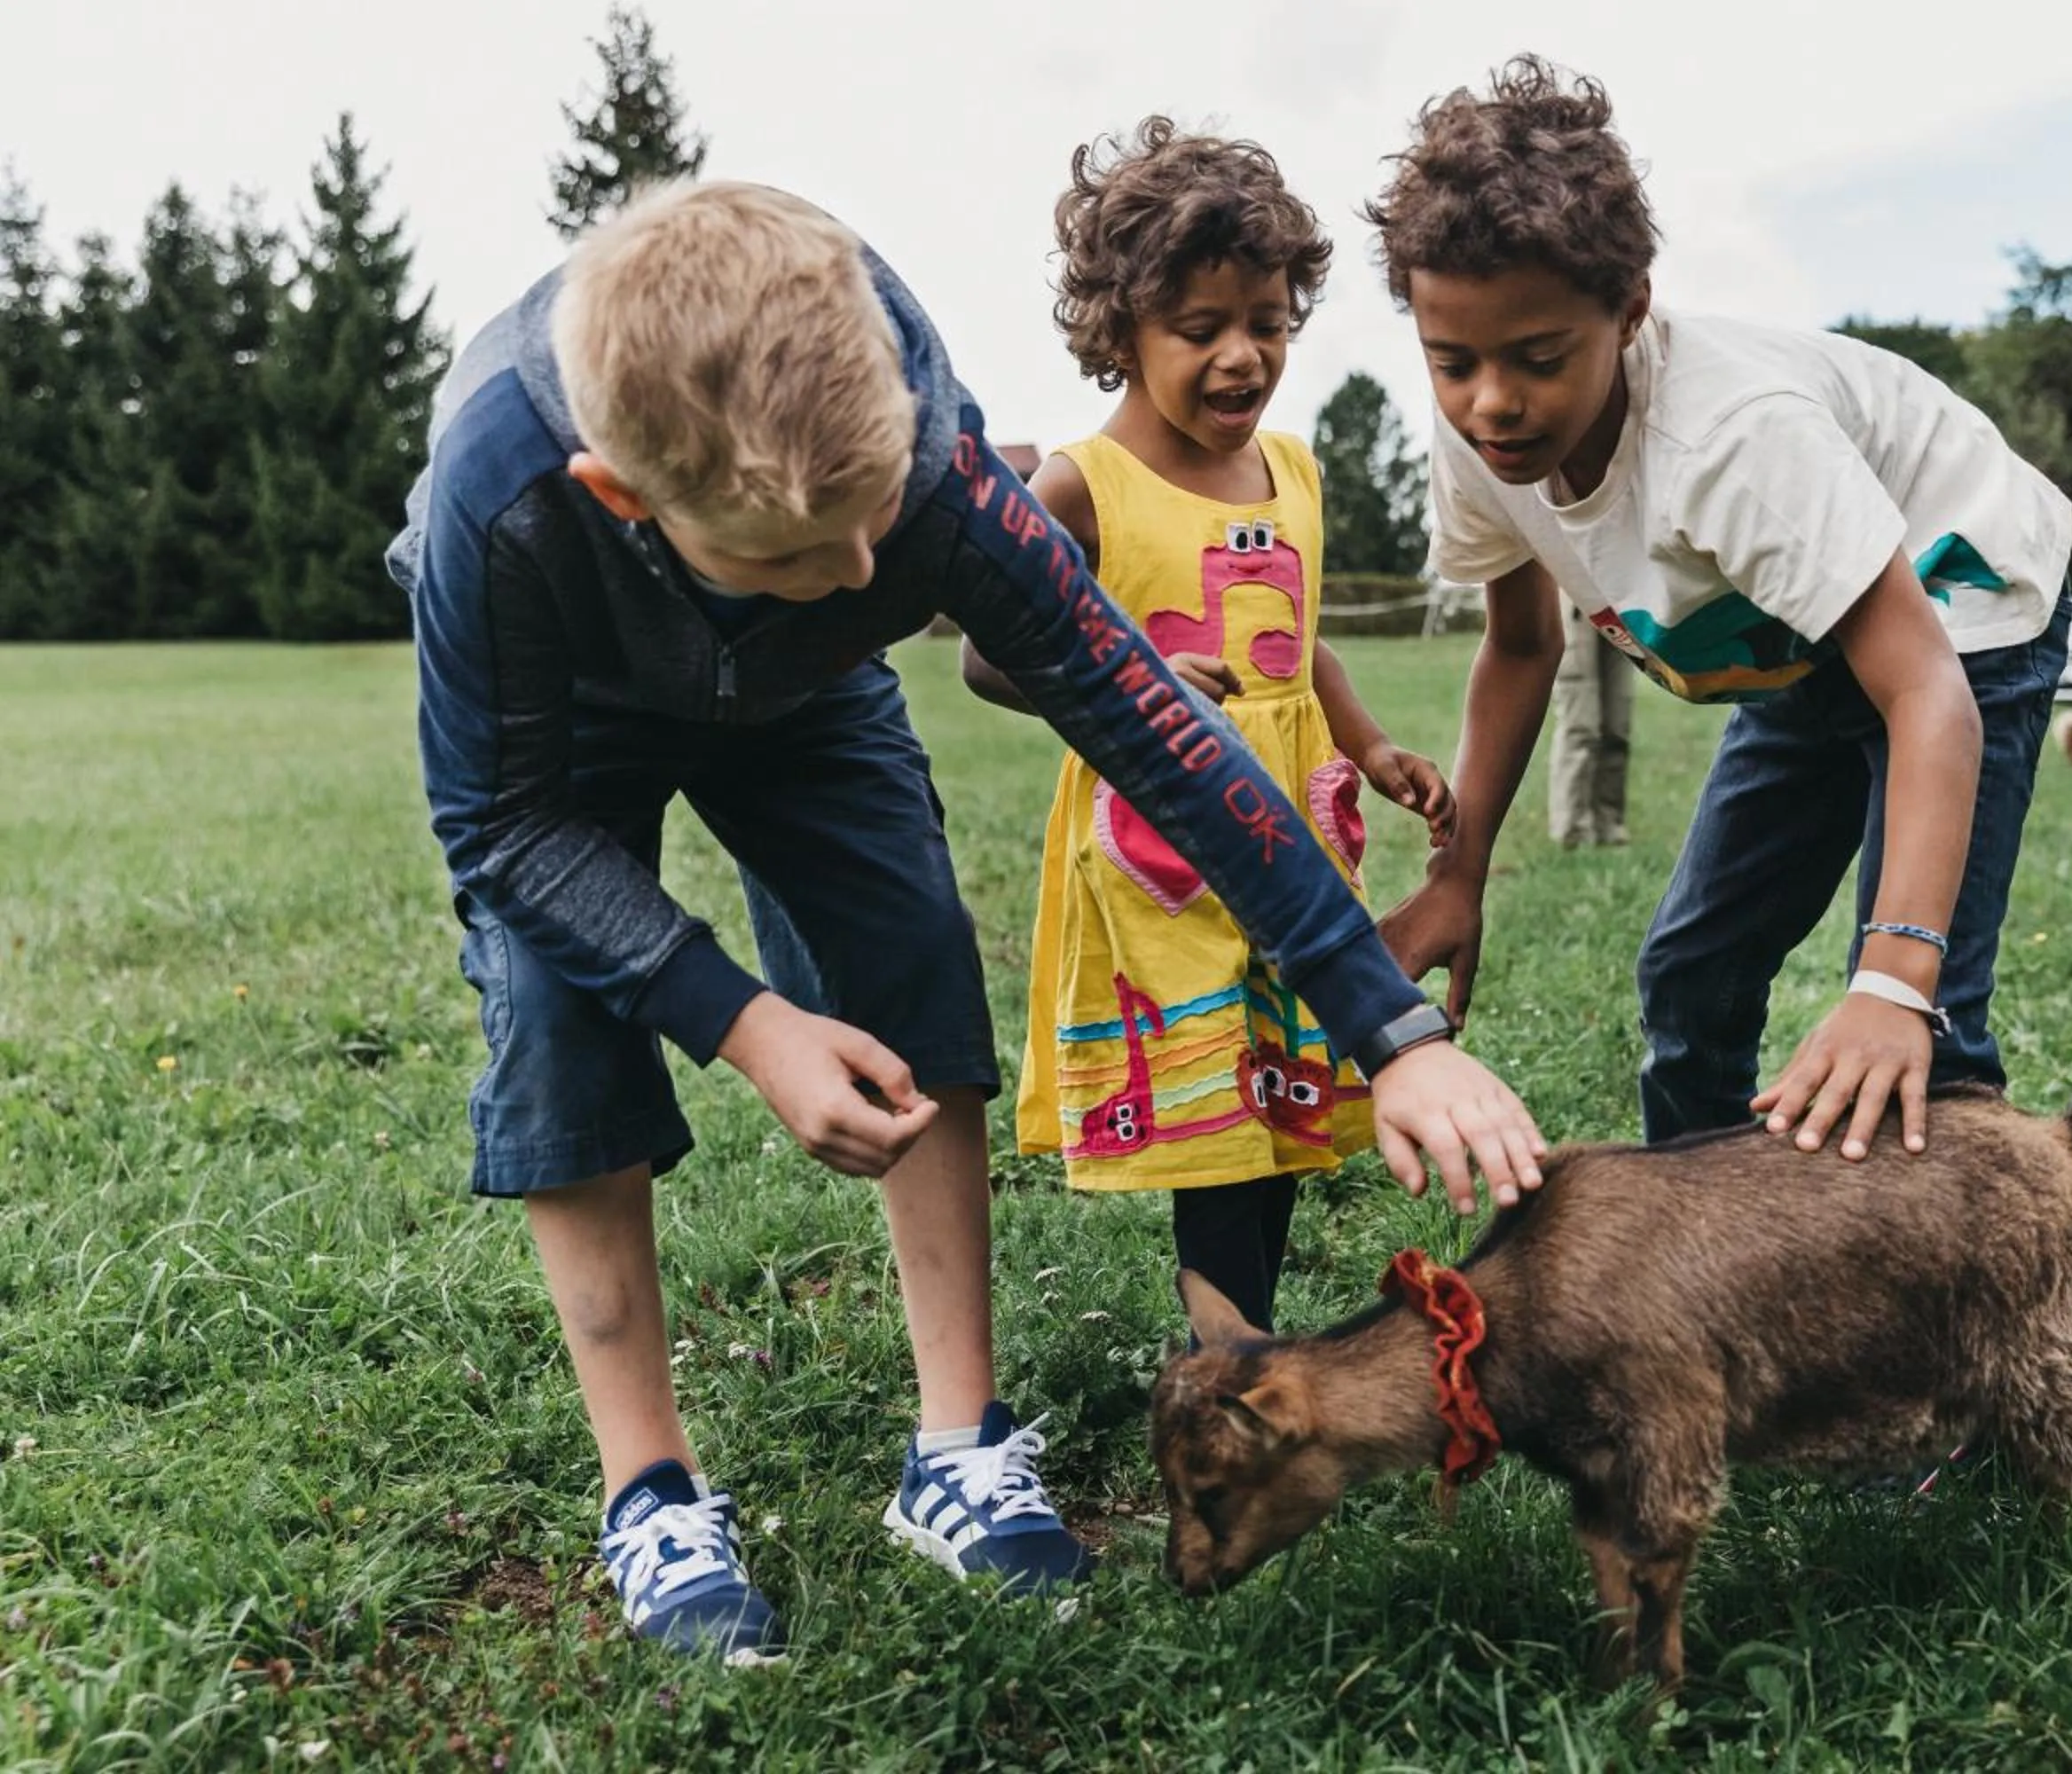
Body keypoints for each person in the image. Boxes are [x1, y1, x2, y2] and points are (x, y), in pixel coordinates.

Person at [388, 180, 1543, 1661]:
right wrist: (746, 1025)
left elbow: (1150, 721)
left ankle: (957, 1448)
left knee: (912, 959)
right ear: (627, 494)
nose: (871, 574)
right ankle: (652, 1493)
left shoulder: (917, 467)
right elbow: (504, 825)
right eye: (812, 549)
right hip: (573, 724)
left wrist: (1390, 1030)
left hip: (810, 696)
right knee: (561, 1025)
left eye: (882, 525)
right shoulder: (504, 503)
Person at [1367, 56, 2072, 1164]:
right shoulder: (1478, 442)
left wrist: (1892, 978)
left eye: (1538, 358)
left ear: (1629, 309)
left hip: (1960, 610)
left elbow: (1927, 689)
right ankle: (1696, 1259)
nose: (1492, 400)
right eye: (1451, 361)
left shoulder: (1732, 440)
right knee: (1692, 973)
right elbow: (1518, 645)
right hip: (1801, 646)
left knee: (1918, 1020)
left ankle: (1961, 1282)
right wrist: (1458, 873)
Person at [957, 121, 1454, 1336]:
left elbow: (1300, 634)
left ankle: (1247, 1340)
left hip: (1293, 823)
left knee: (1278, 1102)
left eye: (1270, 324)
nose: (1245, 358)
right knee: (1221, 1121)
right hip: (1163, 846)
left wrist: (1370, 743)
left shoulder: (1292, 467)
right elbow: (988, 655)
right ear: (1118, 329)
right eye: (1202, 331)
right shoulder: (1083, 485)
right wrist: (1135, 676)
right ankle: (1228, 1362)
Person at [1549, 595, 1636, 845]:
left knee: (1617, 724)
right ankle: (1573, 829)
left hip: (1619, 597)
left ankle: (1609, 824)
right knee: (1580, 724)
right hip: (1572, 594)